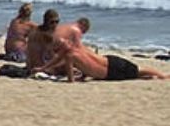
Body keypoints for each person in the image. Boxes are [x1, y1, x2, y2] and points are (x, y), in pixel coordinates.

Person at [40, 46, 168, 81]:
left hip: (109, 72)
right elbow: (87, 63)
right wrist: (84, 75)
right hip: (110, 59)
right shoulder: (79, 48)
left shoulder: (69, 57)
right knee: (139, 71)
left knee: (138, 73)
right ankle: (161, 76)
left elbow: (71, 80)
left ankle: (164, 77)